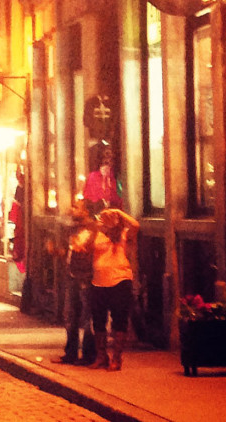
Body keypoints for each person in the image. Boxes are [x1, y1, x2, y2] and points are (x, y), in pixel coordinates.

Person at [89, 208, 139, 370]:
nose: (104, 220)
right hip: (98, 282)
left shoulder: (122, 233)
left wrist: (118, 212)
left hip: (120, 280)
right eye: (102, 217)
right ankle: (101, 356)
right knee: (98, 321)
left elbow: (135, 225)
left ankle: (117, 358)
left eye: (108, 218)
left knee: (119, 320)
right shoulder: (96, 234)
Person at [53, 200, 97, 366]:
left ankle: (88, 354)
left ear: (86, 211)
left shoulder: (91, 228)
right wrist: (57, 251)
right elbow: (70, 251)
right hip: (72, 275)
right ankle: (70, 352)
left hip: (85, 276)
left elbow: (82, 247)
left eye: (76, 207)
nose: (72, 210)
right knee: (71, 316)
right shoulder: (74, 228)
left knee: (86, 318)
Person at [83, 142, 122, 214]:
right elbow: (89, 199)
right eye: (105, 157)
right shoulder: (93, 177)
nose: (107, 161)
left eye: (110, 158)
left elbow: (120, 198)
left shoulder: (117, 178)